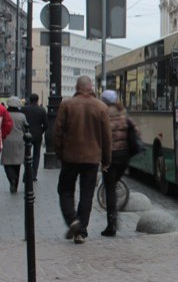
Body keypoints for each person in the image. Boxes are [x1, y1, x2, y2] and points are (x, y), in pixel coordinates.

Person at [54, 76, 111, 244]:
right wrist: (106, 160)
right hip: (92, 158)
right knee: (87, 194)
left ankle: (73, 221)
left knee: (65, 190)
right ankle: (81, 232)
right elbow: (107, 137)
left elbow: (58, 133)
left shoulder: (67, 105)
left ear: (77, 87)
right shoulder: (101, 107)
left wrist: (59, 153)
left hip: (70, 157)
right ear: (91, 87)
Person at [100, 89, 132, 237]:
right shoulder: (123, 113)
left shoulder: (103, 113)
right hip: (124, 157)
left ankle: (111, 224)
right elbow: (135, 132)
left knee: (110, 189)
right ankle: (115, 217)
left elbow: (101, 136)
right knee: (113, 185)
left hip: (110, 156)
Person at [1, 96, 27, 193]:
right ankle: (15, 184)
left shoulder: (5, 114)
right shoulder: (22, 116)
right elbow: (26, 128)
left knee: (7, 162)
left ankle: (12, 178)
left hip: (6, 140)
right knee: (17, 163)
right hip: (19, 141)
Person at [21, 93, 48, 181]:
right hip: (38, 134)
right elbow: (46, 125)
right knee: (36, 155)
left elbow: (22, 122)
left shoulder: (24, 109)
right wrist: (41, 131)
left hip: (27, 134)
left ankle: (27, 173)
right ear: (37, 100)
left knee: (27, 154)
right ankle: (34, 174)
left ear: (29, 100)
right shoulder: (42, 110)